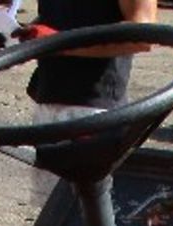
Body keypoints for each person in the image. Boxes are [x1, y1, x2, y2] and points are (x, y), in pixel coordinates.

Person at [25, 0, 158, 205]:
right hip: (49, 103)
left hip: (93, 113)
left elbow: (142, 34)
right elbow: (66, 18)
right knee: (48, 219)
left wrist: (59, 42)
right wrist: (25, 34)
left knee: (81, 221)